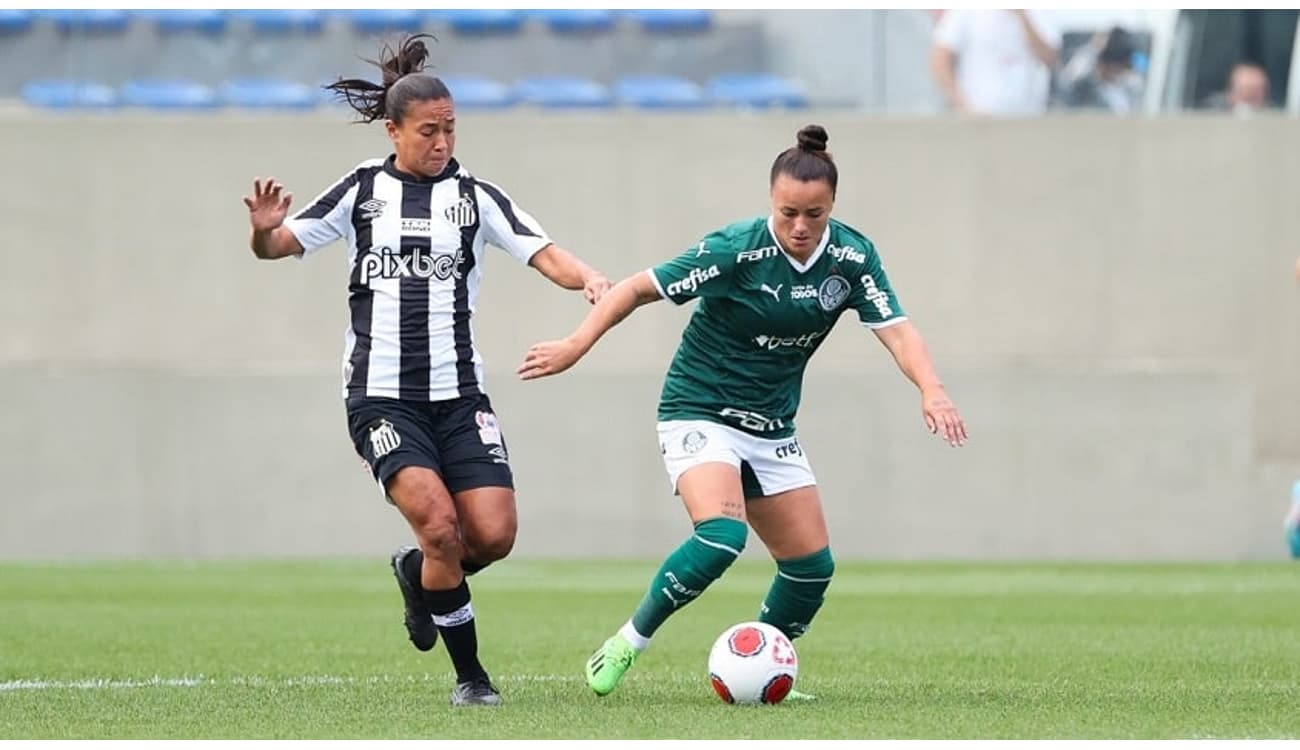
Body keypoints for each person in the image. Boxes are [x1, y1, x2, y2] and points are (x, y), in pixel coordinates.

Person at [517, 125, 967, 698]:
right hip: (699, 409)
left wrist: (932, 389)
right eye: (788, 214)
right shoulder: (737, 249)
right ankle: (629, 641)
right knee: (723, 536)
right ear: (770, 203)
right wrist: (575, 345)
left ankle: (759, 670)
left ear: (832, 207)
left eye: (814, 214)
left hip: (772, 425)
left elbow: (898, 331)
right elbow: (635, 288)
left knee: (810, 570)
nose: (800, 227)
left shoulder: (852, 258)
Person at [240, 34, 610, 706]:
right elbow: (278, 247)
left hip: (460, 395)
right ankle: (471, 678)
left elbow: (544, 252)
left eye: (450, 129)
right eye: (428, 131)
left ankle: (420, 576)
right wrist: (265, 229)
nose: (442, 143)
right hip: (382, 399)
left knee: (491, 536)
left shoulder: (475, 197)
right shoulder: (360, 190)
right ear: (394, 130)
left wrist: (587, 278)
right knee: (441, 528)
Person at [930, 9, 1061, 116]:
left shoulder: (1041, 12)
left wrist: (1022, 16)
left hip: (1029, 116)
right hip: (981, 119)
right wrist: (962, 104)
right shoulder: (965, 11)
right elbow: (940, 60)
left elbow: (1049, 58)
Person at [1058, 26, 1144, 114]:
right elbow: (1065, 83)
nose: (1116, 72)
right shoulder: (1085, 82)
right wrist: (1093, 48)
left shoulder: (1131, 83)